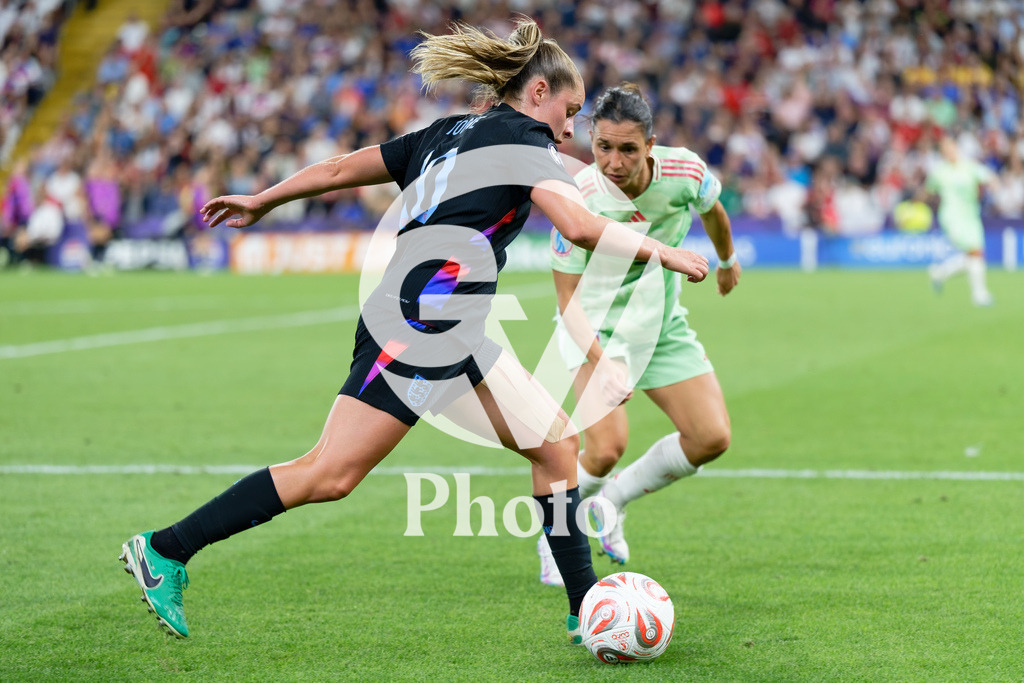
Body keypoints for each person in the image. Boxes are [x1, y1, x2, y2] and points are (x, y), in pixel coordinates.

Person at [119, 20, 709, 644]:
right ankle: (166, 549)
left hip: (454, 324)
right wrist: (666, 253)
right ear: (538, 93)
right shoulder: (528, 143)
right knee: (330, 474)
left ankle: (584, 608)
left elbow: (340, 167)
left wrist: (266, 199)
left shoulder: (447, 132)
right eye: (569, 111)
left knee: (554, 448)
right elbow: (580, 227)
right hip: (418, 323)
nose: (571, 129)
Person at [537, 84, 738, 584]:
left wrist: (727, 260)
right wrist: (603, 363)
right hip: (593, 329)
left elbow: (712, 209)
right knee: (605, 449)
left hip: (660, 325)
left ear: (651, 145)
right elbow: (567, 301)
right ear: (590, 140)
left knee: (711, 437)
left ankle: (613, 502)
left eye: (628, 149)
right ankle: (553, 536)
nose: (614, 162)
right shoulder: (576, 202)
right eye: (604, 147)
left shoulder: (683, 172)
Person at [925, 135, 997, 307]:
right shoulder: (940, 172)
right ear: (942, 153)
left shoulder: (969, 167)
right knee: (975, 252)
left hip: (971, 216)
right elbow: (928, 190)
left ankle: (940, 272)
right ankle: (979, 295)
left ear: (956, 148)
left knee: (973, 255)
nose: (949, 152)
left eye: (951, 147)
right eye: (945, 149)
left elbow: (989, 177)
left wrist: (994, 184)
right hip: (952, 217)